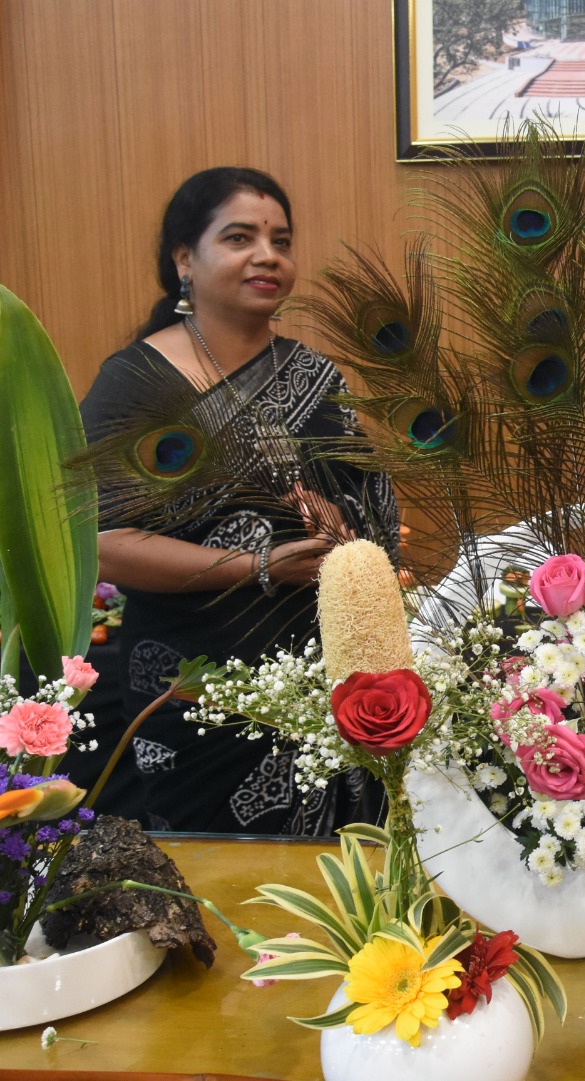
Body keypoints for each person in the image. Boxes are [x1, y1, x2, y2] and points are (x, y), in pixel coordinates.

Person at [77, 167, 397, 833]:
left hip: (322, 676)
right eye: (240, 237)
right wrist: (255, 566)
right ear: (184, 260)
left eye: (281, 240)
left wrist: (343, 531)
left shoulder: (316, 375)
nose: (268, 256)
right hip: (191, 684)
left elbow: (379, 525)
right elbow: (99, 543)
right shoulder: (137, 381)